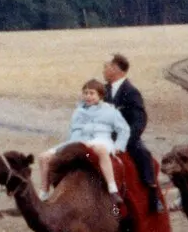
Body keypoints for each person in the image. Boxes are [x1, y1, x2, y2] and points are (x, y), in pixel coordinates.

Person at [41, 78, 129, 207]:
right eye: (86, 93)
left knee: (101, 150)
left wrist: (118, 146)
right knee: (44, 157)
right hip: (78, 141)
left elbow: (124, 130)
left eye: (92, 93)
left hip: (101, 140)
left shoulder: (111, 112)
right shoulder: (78, 112)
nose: (88, 96)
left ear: (100, 95)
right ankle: (44, 192)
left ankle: (112, 188)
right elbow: (73, 131)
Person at [102, 53, 162, 214]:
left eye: (106, 66)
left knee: (143, 154)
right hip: (105, 136)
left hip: (127, 138)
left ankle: (152, 194)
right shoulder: (103, 90)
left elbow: (139, 120)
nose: (103, 70)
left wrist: (124, 141)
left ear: (115, 69)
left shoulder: (131, 91)